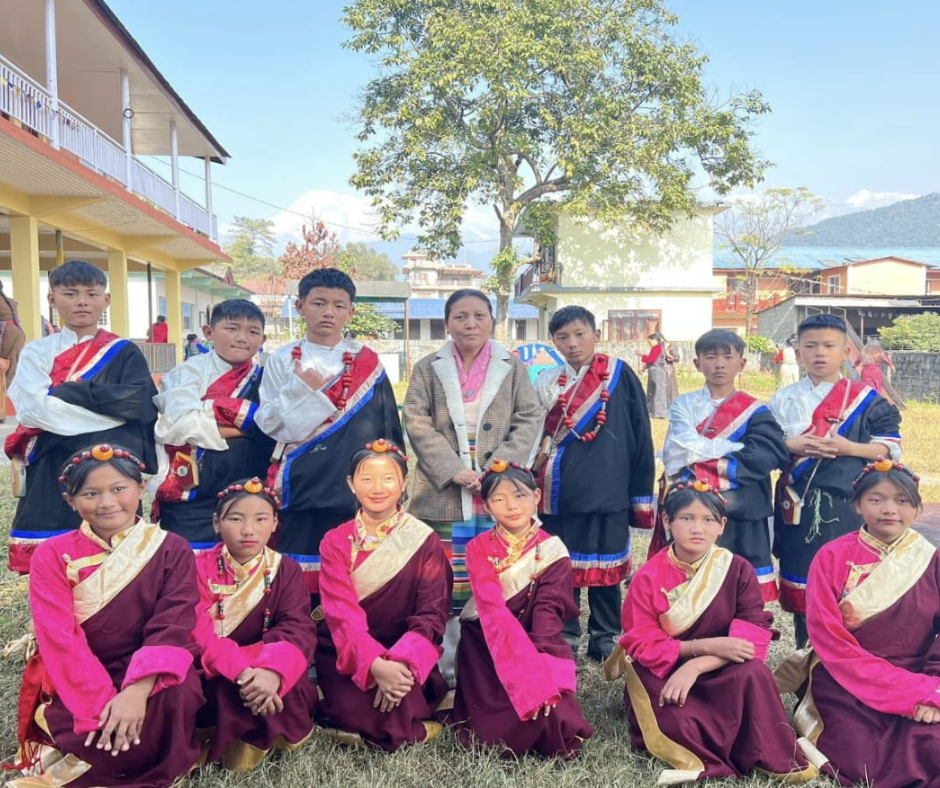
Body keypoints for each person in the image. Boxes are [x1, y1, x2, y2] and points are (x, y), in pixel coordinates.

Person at [8, 444, 203, 788]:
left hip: (147, 665)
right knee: (95, 727)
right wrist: (100, 701)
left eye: (119, 489)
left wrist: (135, 692)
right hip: (80, 670)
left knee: (178, 694)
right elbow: (59, 636)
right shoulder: (52, 555)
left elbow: (173, 623)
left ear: (141, 488)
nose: (107, 503)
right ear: (70, 501)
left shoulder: (172, 548)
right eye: (90, 493)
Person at [608, 483, 816, 784]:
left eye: (708, 519)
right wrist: (700, 649)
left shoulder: (738, 569)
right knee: (675, 717)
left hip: (722, 666)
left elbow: (749, 642)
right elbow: (642, 641)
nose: (698, 528)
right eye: (686, 518)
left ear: (722, 526)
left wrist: (696, 665)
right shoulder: (648, 577)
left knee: (754, 674)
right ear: (667, 521)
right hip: (666, 667)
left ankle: (759, 749)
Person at [403, 288, 541, 681]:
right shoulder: (428, 367)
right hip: (442, 487)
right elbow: (416, 420)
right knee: (445, 579)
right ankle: (446, 670)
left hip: (495, 485)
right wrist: (452, 469)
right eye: (461, 316)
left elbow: (529, 416)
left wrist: (499, 467)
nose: (470, 324)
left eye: (480, 316)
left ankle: (493, 666)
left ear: (492, 322)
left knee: (498, 574)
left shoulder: (511, 366)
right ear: (447, 322)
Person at [777, 460, 940, 788]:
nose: (889, 509)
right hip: (844, 680)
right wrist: (911, 693)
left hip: (918, 674)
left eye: (902, 500)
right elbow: (829, 640)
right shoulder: (832, 556)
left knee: (932, 744)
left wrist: (932, 688)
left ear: (917, 508)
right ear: (858, 505)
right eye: (876, 499)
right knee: (864, 756)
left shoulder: (931, 559)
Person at [255, 268, 403, 594]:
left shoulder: (368, 362)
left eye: (338, 305)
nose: (328, 312)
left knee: (353, 571)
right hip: (301, 481)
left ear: (351, 311)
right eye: (319, 303)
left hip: (353, 482)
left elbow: (387, 426)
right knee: (299, 573)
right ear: (300, 306)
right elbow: (269, 423)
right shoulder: (281, 360)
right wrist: (303, 393)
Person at [5, 260, 158, 573]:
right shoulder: (38, 351)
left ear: (106, 299)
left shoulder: (124, 351)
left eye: (91, 293)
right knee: (56, 558)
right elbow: (32, 409)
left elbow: (138, 404)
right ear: (52, 299)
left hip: (112, 459)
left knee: (116, 554)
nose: (82, 302)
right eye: (71, 294)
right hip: (52, 458)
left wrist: (67, 393)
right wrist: (108, 410)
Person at [770, 314, 902, 646]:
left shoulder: (864, 399)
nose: (820, 353)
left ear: (846, 351)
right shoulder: (781, 399)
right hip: (797, 508)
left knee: (848, 584)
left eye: (829, 346)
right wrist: (791, 445)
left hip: (847, 508)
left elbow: (889, 449)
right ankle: (805, 659)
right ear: (798, 351)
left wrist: (847, 448)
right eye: (810, 346)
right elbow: (764, 447)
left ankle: (849, 658)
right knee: (804, 584)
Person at [532, 306, 655, 661]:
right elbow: (534, 434)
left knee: (606, 566)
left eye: (579, 334)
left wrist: (640, 490)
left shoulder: (618, 374)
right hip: (559, 489)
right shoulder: (546, 381)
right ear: (553, 341)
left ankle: (605, 634)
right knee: (562, 567)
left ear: (596, 333)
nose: (572, 344)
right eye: (562, 337)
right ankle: (566, 633)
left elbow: (640, 432)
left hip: (608, 486)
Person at [316, 441, 451, 750]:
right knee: (377, 716)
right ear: (351, 484)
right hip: (349, 652)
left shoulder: (424, 540)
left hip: (405, 650)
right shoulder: (335, 541)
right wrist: (375, 664)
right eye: (366, 479)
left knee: (397, 710)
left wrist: (401, 664)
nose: (378, 488)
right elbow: (341, 616)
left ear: (404, 482)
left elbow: (432, 612)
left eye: (388, 478)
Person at [453, 462, 593, 758]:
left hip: (536, 641)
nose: (511, 506)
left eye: (519, 495)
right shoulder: (478, 547)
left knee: (550, 718)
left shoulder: (553, 550)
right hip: (487, 643)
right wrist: (525, 675)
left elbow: (547, 613)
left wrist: (539, 667)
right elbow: (492, 609)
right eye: (499, 499)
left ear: (536, 496)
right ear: (488, 506)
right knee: (491, 733)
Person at [654, 329, 788, 601]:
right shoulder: (683, 405)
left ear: (742, 363)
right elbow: (679, 451)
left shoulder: (756, 411)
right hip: (695, 506)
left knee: (742, 583)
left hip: (744, 507)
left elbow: (763, 458)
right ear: (697, 363)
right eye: (711, 356)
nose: (719, 364)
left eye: (728, 357)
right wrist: (735, 448)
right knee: (692, 581)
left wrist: (701, 460)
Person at [193, 478, 317, 771]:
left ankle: (265, 737)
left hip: (266, 665)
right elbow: (196, 630)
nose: (248, 530)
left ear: (275, 523)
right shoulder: (196, 567)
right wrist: (243, 672)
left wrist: (273, 672)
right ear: (216, 522)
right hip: (216, 667)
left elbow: (297, 626)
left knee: (293, 687)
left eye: (261, 519)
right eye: (235, 519)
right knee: (208, 691)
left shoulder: (286, 569)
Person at [149, 299, 274, 549]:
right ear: (209, 332)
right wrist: (245, 427)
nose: (242, 338)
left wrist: (205, 411)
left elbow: (275, 426)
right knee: (187, 570)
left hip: (247, 492)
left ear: (263, 338)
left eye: (252, 331)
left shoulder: (268, 378)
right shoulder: (186, 373)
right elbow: (177, 426)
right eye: (231, 328)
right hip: (189, 496)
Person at [0, 280, 26, 419]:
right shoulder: (9, 300)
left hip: (7, 334)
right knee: (9, 369)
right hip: (16, 333)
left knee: (4, 370)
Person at [637, 331, 671, 418]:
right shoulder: (656, 348)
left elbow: (651, 359)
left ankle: (659, 413)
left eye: (650, 342)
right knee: (652, 391)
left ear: (654, 340)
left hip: (658, 372)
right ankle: (651, 411)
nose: (649, 344)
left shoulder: (657, 348)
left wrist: (642, 355)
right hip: (654, 371)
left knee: (658, 391)